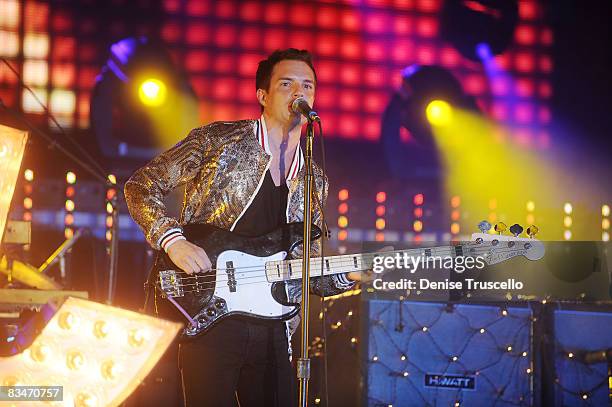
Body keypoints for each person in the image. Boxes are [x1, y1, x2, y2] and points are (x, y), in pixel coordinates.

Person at [124, 48, 359, 406]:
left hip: (275, 323)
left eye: (308, 85)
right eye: (287, 83)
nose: (300, 92)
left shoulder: (315, 179)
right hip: (212, 311)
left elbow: (303, 264)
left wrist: (346, 276)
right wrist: (173, 241)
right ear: (262, 95)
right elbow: (141, 185)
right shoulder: (219, 141)